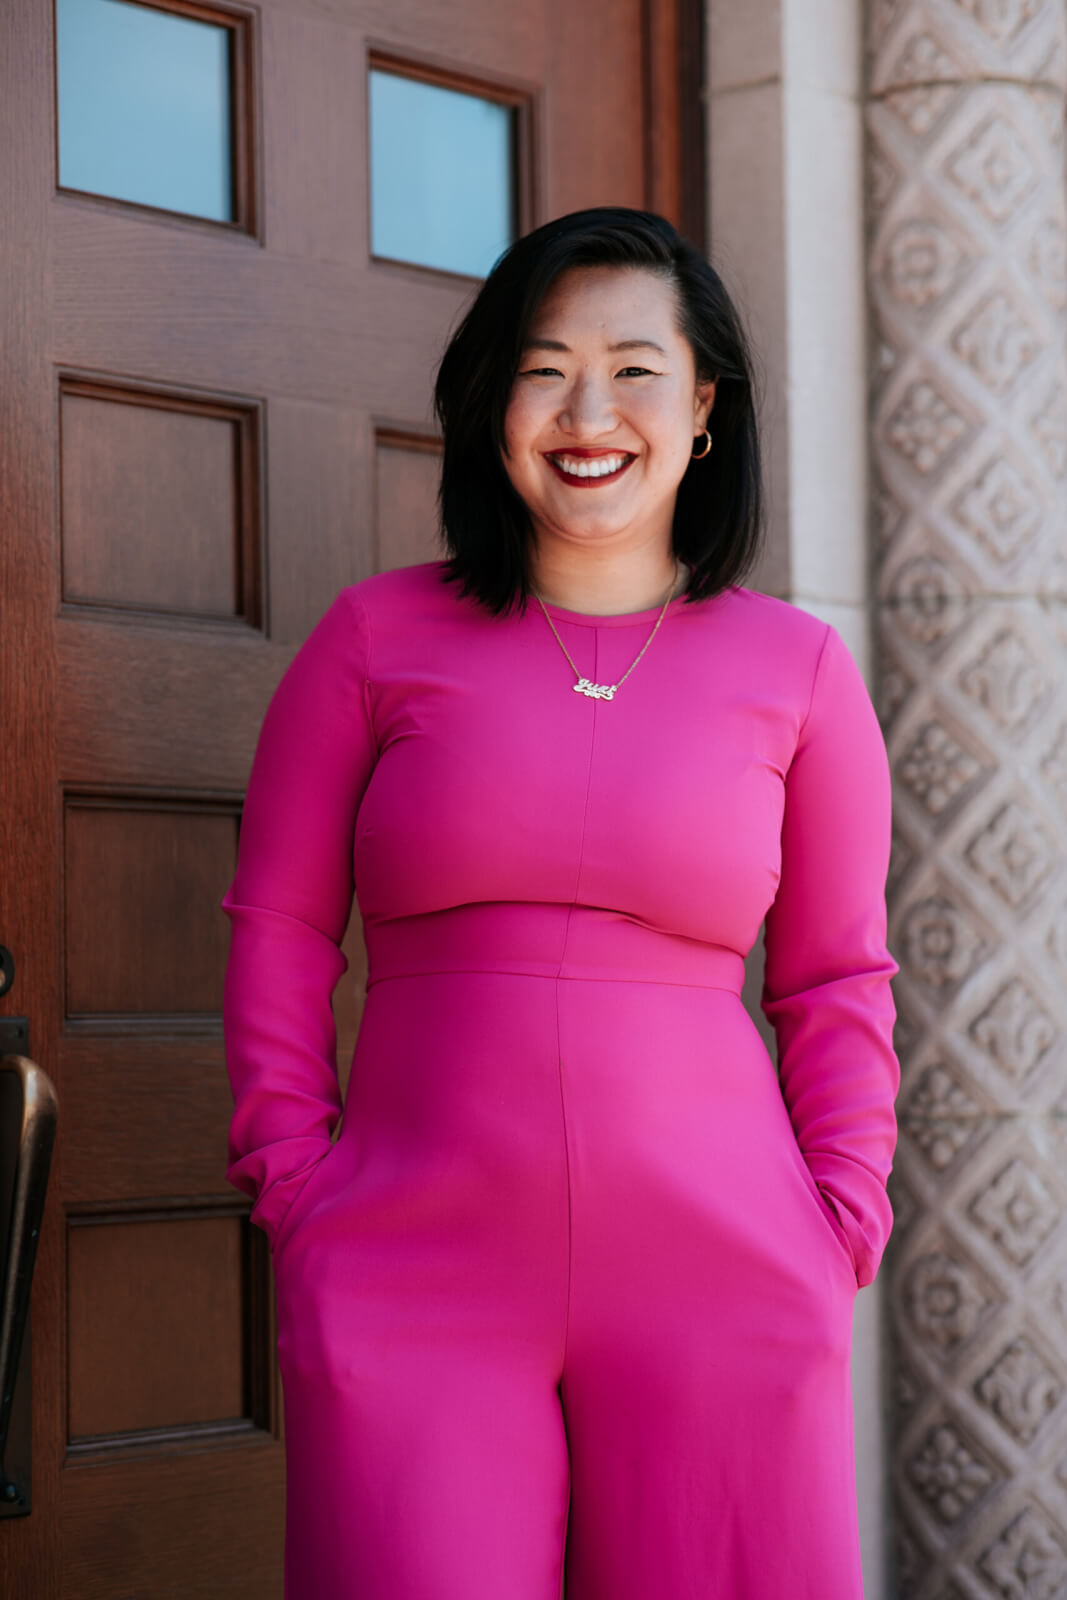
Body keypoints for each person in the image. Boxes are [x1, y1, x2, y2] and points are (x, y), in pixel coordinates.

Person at [220, 206, 900, 1600]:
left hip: (728, 1265)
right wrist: (294, 1183)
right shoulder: (371, 641)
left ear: (706, 406)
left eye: (636, 367)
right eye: (544, 367)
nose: (590, 410)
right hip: (412, 1261)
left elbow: (836, 977)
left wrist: (842, 1215)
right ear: (492, 404)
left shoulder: (801, 672)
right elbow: (281, 930)